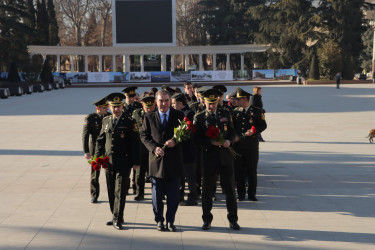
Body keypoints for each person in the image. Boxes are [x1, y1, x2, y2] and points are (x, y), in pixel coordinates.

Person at [193, 88, 240, 231]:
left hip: (225, 157)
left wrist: (229, 141)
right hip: (209, 158)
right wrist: (211, 142)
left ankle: (233, 219)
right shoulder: (200, 117)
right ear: (204, 101)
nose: (212, 106)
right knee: (207, 191)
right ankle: (207, 219)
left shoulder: (225, 113)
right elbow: (195, 139)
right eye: (209, 103)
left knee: (230, 190)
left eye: (214, 103)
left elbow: (232, 131)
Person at [140, 90, 185, 232]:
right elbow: (144, 135)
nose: (164, 104)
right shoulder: (148, 116)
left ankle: (170, 221)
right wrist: (154, 148)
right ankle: (159, 220)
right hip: (156, 162)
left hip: (173, 162)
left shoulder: (179, 115)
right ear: (156, 102)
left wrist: (175, 141)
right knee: (156, 196)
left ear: (170, 101)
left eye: (166, 100)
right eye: (161, 101)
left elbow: (185, 134)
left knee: (173, 196)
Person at [95, 93, 140, 230]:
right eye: (113, 107)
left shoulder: (130, 121)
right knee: (110, 190)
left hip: (124, 162)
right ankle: (116, 215)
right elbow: (100, 140)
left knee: (120, 191)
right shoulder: (106, 120)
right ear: (109, 107)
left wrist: (136, 161)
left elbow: (135, 143)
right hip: (108, 163)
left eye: (118, 107)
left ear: (122, 106)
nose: (116, 110)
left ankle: (117, 218)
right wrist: (97, 158)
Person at [232, 87, 267, 202]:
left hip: (251, 146)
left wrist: (254, 130)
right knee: (239, 171)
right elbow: (232, 128)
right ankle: (241, 194)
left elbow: (263, 125)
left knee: (252, 171)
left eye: (239, 99)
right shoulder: (235, 112)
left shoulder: (257, 111)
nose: (237, 101)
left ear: (245, 100)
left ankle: (252, 194)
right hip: (238, 147)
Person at [171, 93, 198, 206]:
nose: (172, 106)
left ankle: (192, 197)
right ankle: (180, 195)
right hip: (179, 150)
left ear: (180, 103)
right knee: (179, 174)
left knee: (190, 175)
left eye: (173, 103)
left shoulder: (189, 113)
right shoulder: (177, 113)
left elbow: (189, 132)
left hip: (187, 150)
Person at [82, 97, 110, 203]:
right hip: (95, 150)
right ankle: (94, 194)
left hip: (107, 150)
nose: (107, 109)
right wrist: (86, 151)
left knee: (110, 172)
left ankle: (112, 193)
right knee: (95, 173)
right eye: (104, 107)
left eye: (107, 107)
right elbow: (85, 135)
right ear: (98, 108)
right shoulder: (90, 118)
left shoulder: (109, 117)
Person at [132, 96, 156, 201]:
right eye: (147, 107)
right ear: (143, 106)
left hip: (153, 147)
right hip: (140, 148)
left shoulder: (157, 114)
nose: (149, 110)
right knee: (140, 173)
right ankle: (139, 193)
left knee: (155, 173)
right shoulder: (136, 114)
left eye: (151, 107)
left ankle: (159, 193)